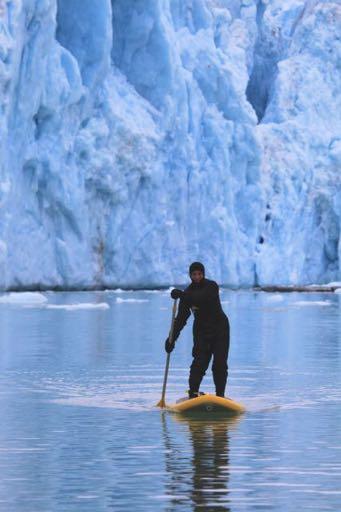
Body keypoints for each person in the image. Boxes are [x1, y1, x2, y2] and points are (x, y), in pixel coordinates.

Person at [165, 262, 230, 399]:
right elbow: (181, 319)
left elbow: (202, 299)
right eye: (194, 274)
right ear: (190, 276)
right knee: (199, 362)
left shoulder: (211, 286)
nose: (197, 277)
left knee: (219, 364)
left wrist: (182, 296)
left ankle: (220, 396)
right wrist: (171, 339)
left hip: (220, 329)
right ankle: (193, 393)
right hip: (201, 330)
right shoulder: (187, 293)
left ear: (203, 274)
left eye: (199, 274)